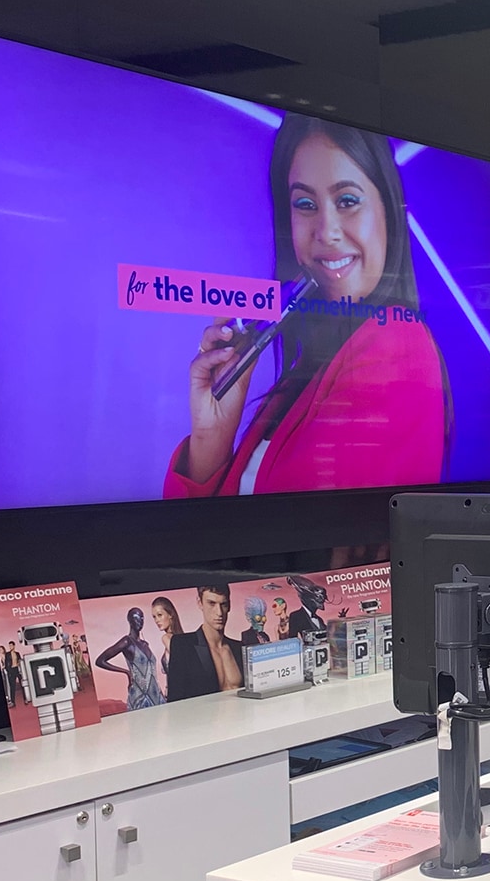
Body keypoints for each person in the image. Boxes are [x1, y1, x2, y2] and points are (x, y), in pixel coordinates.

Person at [165, 115, 450, 498]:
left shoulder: (396, 342)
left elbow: (280, 545)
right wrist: (211, 435)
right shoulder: (310, 369)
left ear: (388, 211)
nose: (326, 232)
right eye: (305, 204)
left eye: (347, 201)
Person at [166, 585, 246, 701]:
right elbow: (174, 700)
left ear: (229, 606)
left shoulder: (240, 648)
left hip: (242, 717)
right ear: (200, 603)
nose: (219, 613)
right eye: (211, 603)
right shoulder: (182, 646)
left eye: (223, 604)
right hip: (202, 718)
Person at [151, 596, 183, 684]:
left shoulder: (166, 638)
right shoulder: (181, 638)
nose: (157, 620)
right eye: (154, 617)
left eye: (160, 615)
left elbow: (182, 661)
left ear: (170, 614)